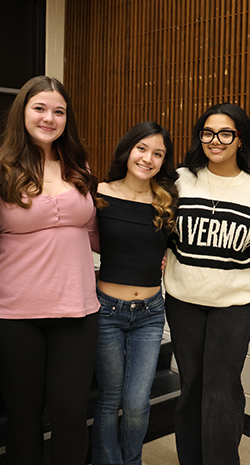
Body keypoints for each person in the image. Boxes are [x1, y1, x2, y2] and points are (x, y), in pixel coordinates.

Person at [0, 76, 99, 464]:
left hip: (77, 308)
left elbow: (95, 230)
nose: (50, 118)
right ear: (23, 113)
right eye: (40, 108)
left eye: (59, 111)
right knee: (24, 417)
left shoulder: (78, 166)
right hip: (14, 312)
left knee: (70, 416)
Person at [163, 102, 250, 464]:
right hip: (183, 302)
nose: (216, 140)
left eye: (226, 133)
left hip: (233, 305)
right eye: (208, 133)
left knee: (222, 391)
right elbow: (164, 233)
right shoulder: (180, 180)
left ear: (240, 139)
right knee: (191, 387)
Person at [92, 121, 179, 465]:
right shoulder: (99, 193)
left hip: (150, 313)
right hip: (106, 311)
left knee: (138, 404)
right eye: (142, 149)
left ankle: (132, 461)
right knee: (110, 399)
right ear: (128, 149)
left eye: (158, 154)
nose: (148, 159)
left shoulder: (167, 200)